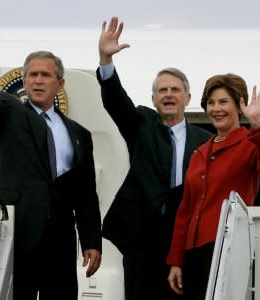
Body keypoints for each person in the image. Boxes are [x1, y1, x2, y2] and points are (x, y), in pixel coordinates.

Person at [0, 5, 102, 300]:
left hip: (59, 241)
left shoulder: (78, 134)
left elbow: (85, 193)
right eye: (32, 74)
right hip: (16, 234)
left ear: (59, 83)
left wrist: (91, 240)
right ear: (24, 81)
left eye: (45, 75)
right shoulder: (8, 112)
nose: (37, 80)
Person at [97, 17, 212, 300]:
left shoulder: (206, 141)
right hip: (142, 239)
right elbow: (116, 102)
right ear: (153, 97)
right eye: (163, 90)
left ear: (187, 97)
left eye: (175, 90)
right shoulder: (142, 125)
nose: (169, 94)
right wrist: (105, 60)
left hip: (186, 240)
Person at [167, 73, 260, 299]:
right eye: (211, 103)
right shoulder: (199, 153)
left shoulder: (249, 144)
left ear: (239, 106)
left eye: (223, 102)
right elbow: (185, 211)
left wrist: (257, 123)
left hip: (227, 246)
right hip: (193, 253)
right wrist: (176, 261)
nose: (216, 108)